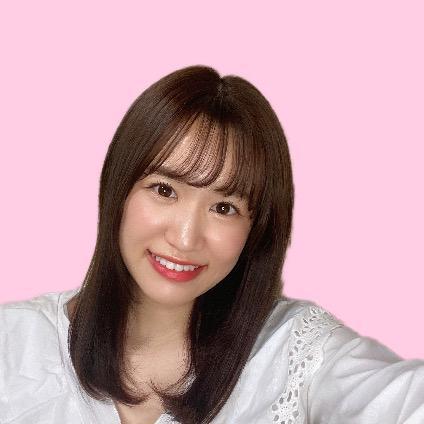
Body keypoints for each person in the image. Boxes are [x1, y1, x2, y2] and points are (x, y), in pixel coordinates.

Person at [0, 65, 423, 424]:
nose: (185, 238)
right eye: (164, 190)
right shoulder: (13, 344)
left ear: (257, 228)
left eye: (224, 208)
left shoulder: (298, 352)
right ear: (118, 190)